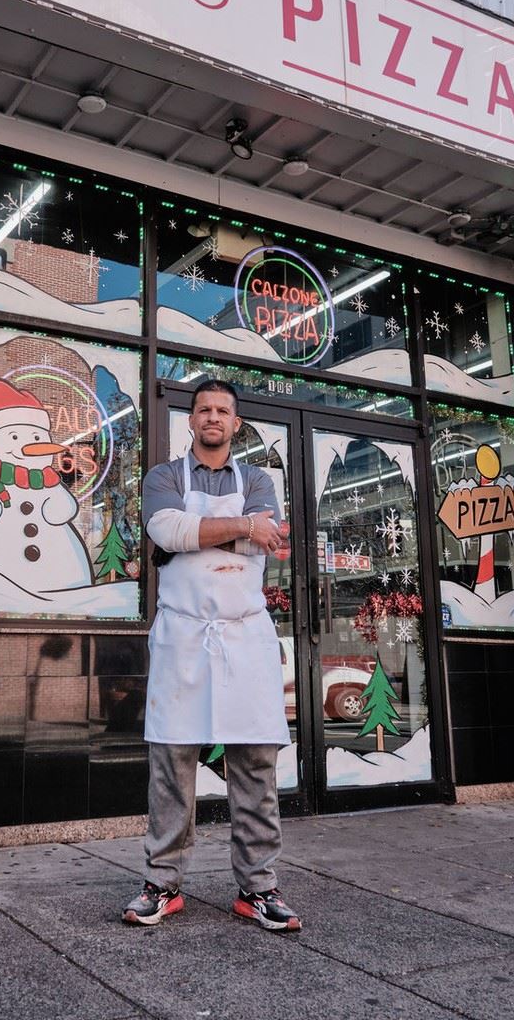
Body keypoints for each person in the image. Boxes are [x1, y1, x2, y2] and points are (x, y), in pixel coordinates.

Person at [122, 379, 301, 932]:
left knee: (255, 765)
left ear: (236, 423)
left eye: (223, 410)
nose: (213, 417)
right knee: (172, 766)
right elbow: (166, 530)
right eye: (204, 409)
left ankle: (258, 889)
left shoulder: (259, 479)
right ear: (192, 419)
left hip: (245, 637)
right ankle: (162, 883)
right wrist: (243, 527)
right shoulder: (164, 477)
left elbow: (267, 538)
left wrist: (198, 534)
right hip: (182, 635)